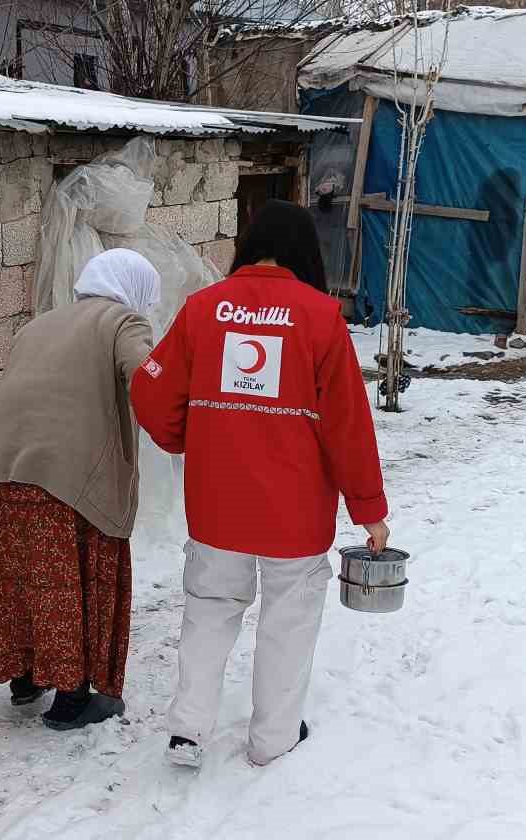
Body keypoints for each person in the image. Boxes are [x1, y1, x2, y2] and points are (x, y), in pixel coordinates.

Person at [130, 199, 389, 768]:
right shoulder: (321, 319)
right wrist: (370, 510)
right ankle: (272, 739)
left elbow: (149, 390)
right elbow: (348, 427)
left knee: (208, 610)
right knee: (287, 621)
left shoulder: (202, 310)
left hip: (217, 504)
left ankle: (187, 731)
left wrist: (186, 438)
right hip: (294, 515)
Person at [0, 248, 157, 730]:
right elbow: (147, 378)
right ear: (133, 290)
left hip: (2, 472)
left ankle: (26, 678)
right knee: (72, 583)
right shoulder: (122, 322)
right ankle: (73, 699)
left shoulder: (35, 326)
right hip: (67, 481)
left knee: (23, 576)